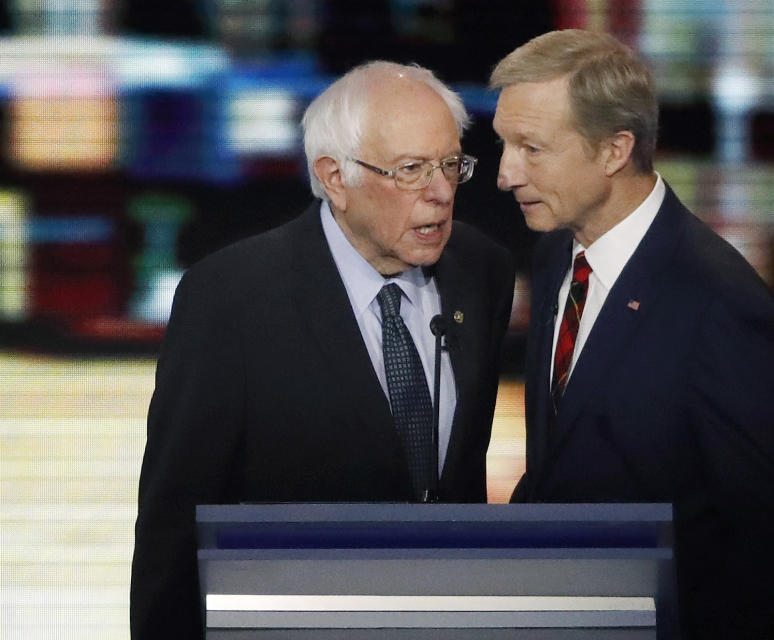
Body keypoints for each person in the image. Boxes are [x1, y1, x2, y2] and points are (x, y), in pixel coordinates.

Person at [131, 61, 515, 640]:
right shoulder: (232, 298)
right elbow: (174, 527)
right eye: (410, 170)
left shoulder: (481, 271)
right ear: (335, 178)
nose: (439, 192)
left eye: (449, 165)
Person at [491, 30, 774, 639]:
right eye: (504, 145)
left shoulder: (719, 302)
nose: (507, 174)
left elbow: (769, 533)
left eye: (531, 148)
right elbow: (558, 466)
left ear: (615, 150)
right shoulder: (556, 254)